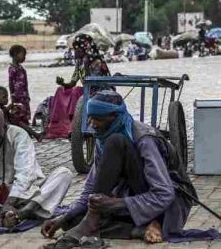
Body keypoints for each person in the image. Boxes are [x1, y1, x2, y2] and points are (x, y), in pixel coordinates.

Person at [41, 90, 198, 248]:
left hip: (166, 206)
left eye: (98, 119)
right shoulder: (103, 136)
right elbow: (91, 189)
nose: (92, 123)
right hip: (133, 199)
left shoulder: (144, 139)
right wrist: (64, 217)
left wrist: (116, 203)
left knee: (116, 142)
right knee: (72, 221)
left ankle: (147, 223)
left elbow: (164, 194)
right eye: (90, 117)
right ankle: (137, 230)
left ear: (114, 117)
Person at [0, 106, 73, 228]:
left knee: (64, 174)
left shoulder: (19, 135)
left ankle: (24, 212)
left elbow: (25, 175)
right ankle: (15, 214)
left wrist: (10, 202)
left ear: (5, 127)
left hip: (25, 195)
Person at [46, 34, 111, 139]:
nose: (75, 52)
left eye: (78, 50)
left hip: (100, 92)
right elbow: (72, 82)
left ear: (85, 49)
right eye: (75, 49)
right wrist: (63, 83)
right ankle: (60, 127)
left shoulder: (97, 62)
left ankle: (77, 125)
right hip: (87, 91)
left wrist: (87, 67)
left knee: (76, 91)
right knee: (61, 90)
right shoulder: (79, 62)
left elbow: (94, 82)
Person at [8, 44, 31, 126]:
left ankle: (26, 126)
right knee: (18, 115)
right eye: (22, 55)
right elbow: (10, 83)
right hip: (17, 97)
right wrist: (12, 95)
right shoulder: (12, 69)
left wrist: (27, 95)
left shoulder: (22, 69)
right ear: (15, 54)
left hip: (24, 96)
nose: (24, 57)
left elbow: (26, 83)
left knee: (25, 114)